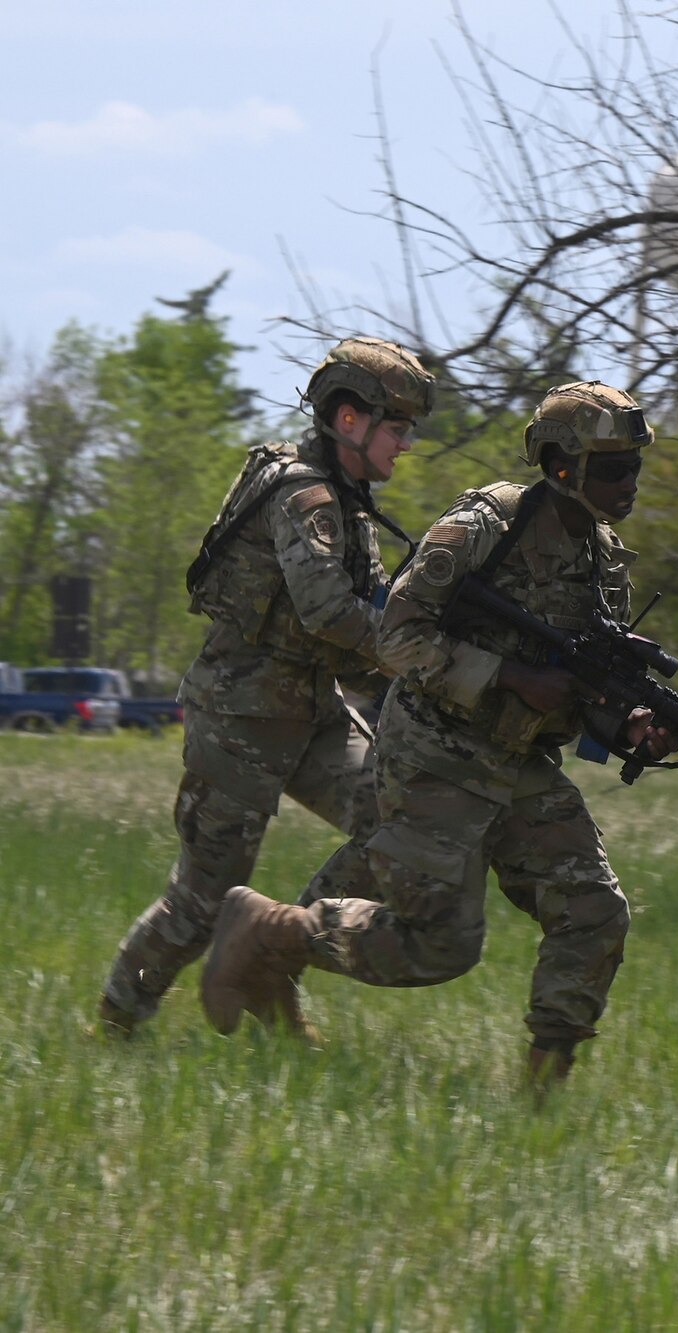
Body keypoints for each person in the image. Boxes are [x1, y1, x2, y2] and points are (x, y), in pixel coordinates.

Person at [201, 381, 678, 1087]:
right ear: (560, 467)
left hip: (519, 762)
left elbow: (579, 700)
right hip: (435, 752)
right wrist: (506, 675)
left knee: (595, 911)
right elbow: (397, 635)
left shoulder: (605, 565)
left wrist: (630, 725)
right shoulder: (489, 524)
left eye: (634, 465)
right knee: (441, 947)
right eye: (611, 467)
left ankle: (542, 1097)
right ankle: (276, 932)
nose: (628, 482)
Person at [97, 336, 434, 1037]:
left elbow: (360, 618)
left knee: (394, 818)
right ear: (350, 421)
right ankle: (117, 1018)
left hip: (313, 713)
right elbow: (329, 611)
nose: (405, 444)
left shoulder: (348, 500)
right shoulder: (304, 495)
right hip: (239, 719)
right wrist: (423, 655)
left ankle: (272, 952)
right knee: (200, 900)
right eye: (397, 428)